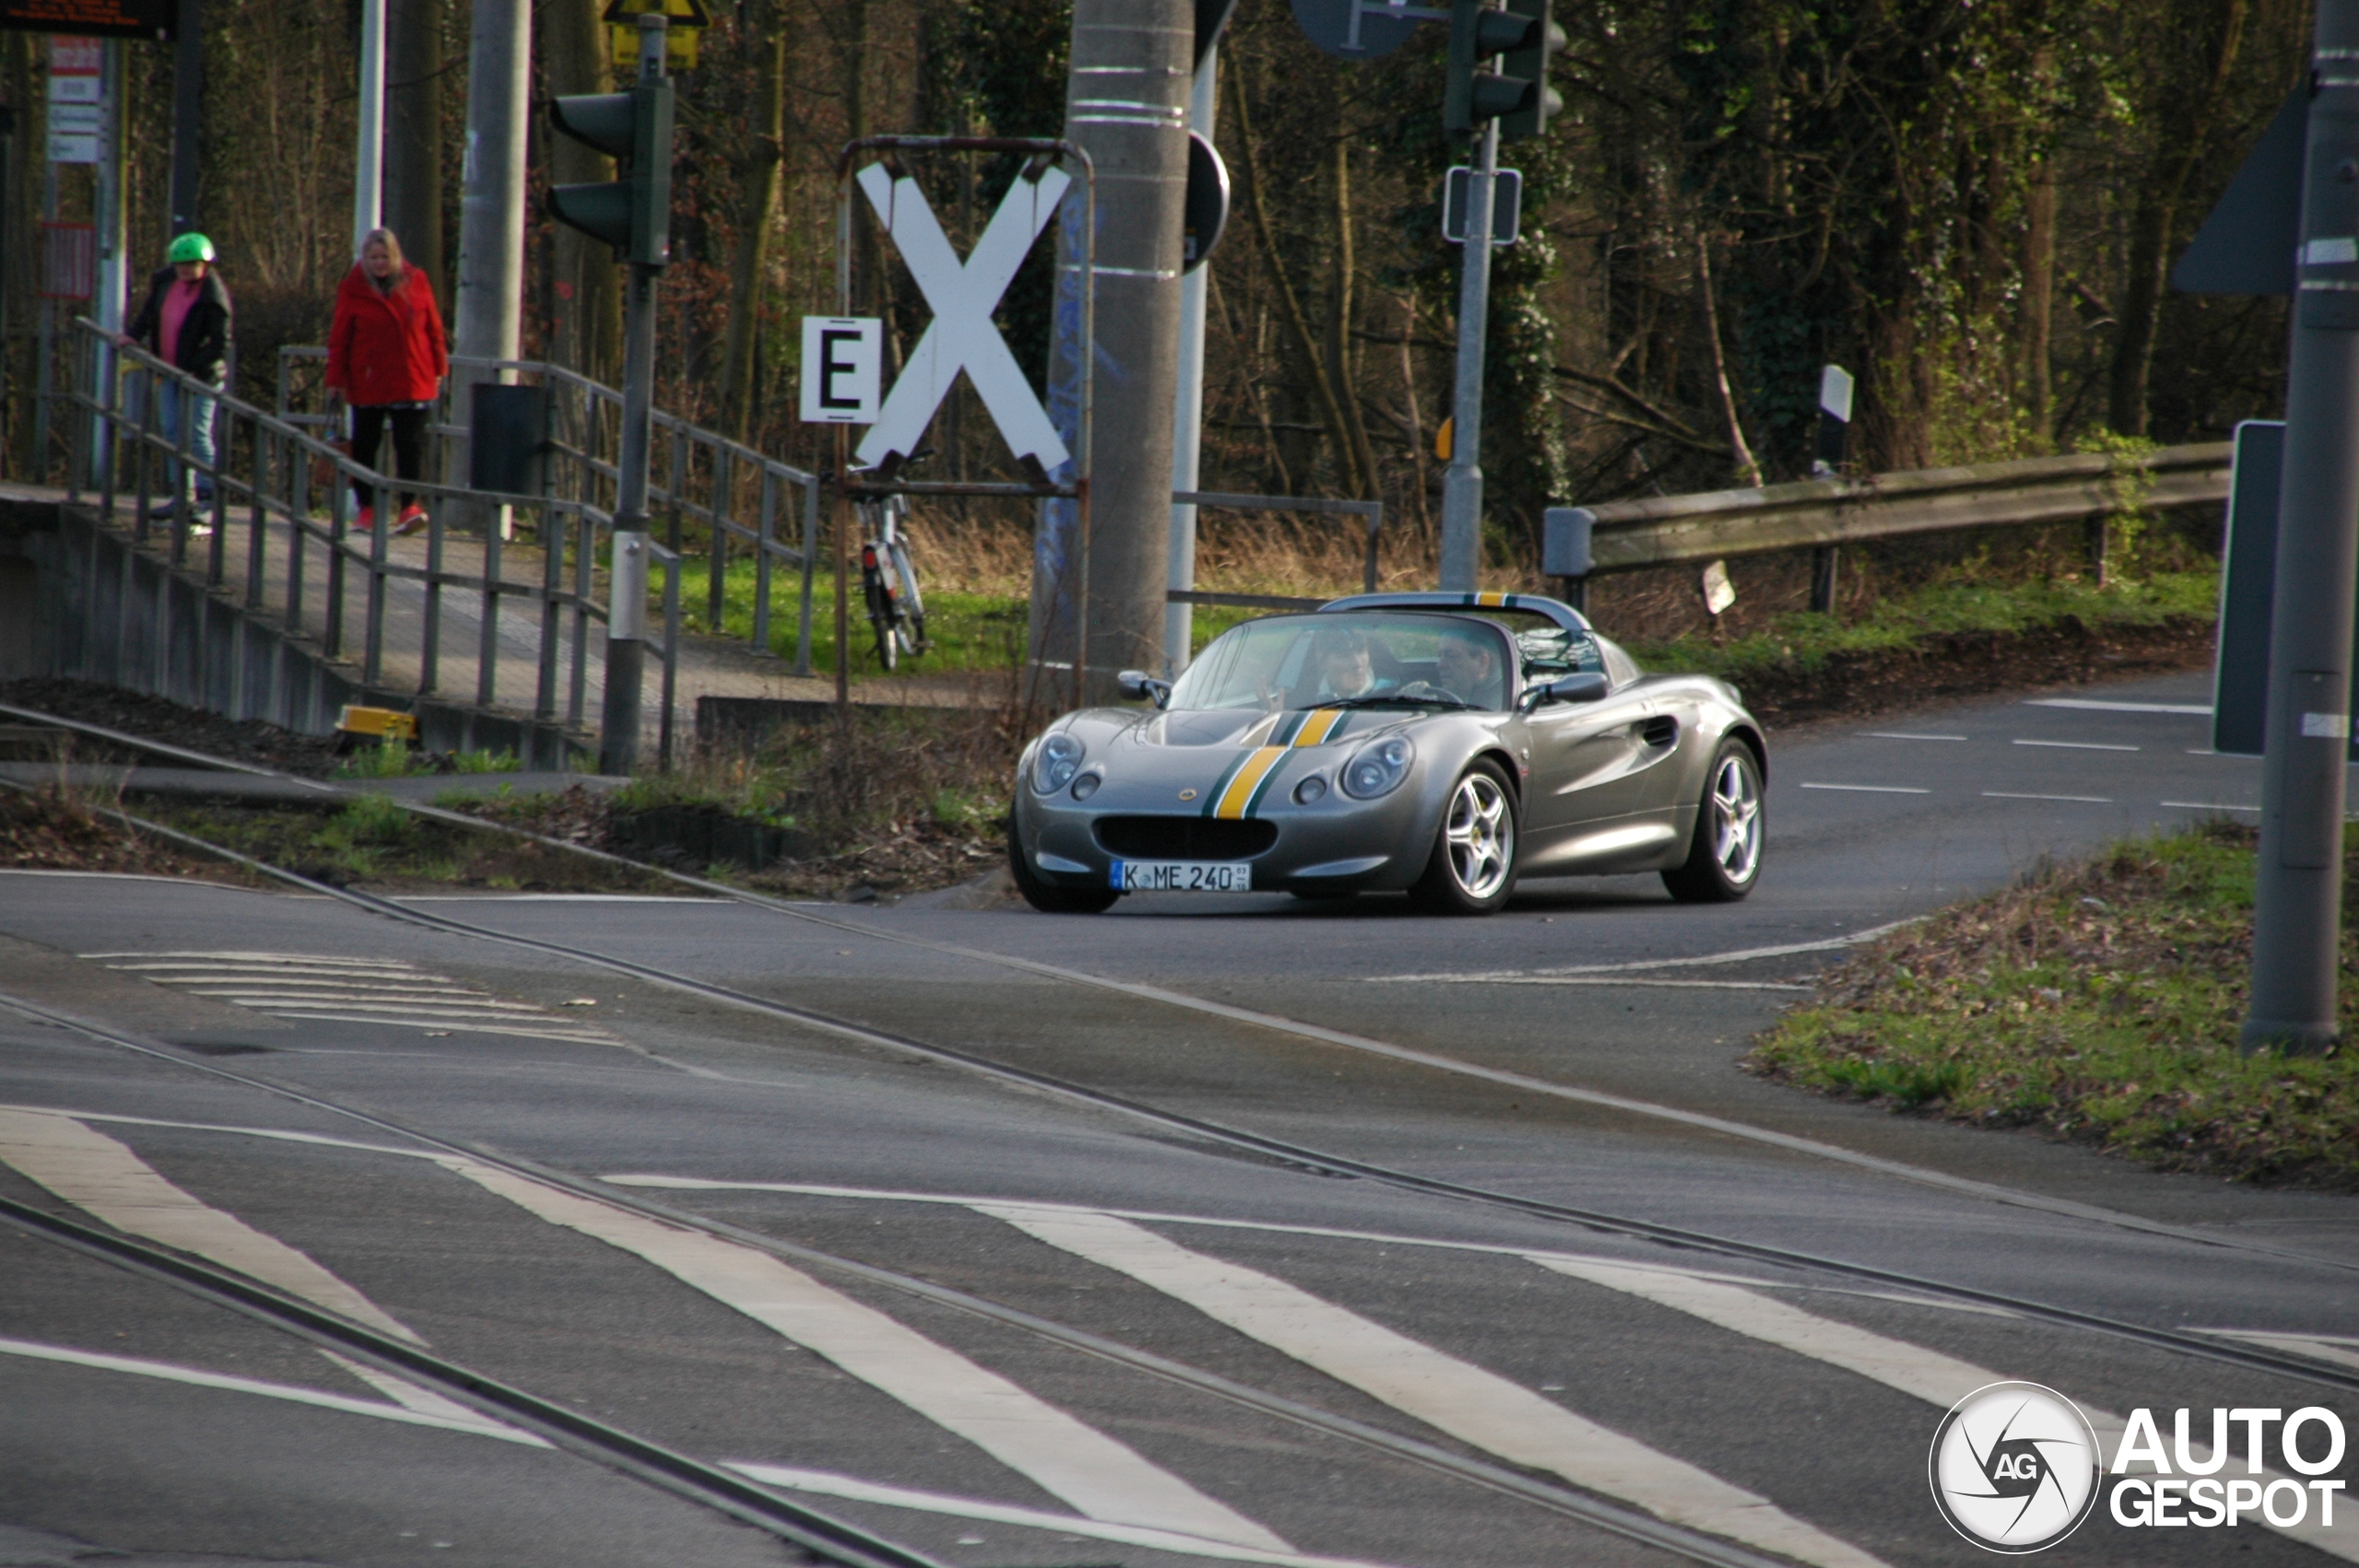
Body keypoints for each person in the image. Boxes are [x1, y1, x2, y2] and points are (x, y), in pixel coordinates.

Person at [325, 228, 449, 535]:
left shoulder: (416, 281)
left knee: (410, 446)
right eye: (374, 257)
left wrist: (440, 367)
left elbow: (433, 327)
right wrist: (335, 379)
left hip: (412, 375)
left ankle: (410, 507)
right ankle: (367, 509)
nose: (380, 263)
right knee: (365, 446)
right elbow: (340, 338)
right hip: (369, 377)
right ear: (365, 259)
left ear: (395, 257)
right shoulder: (352, 289)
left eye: (385, 257)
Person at [118, 232, 232, 519]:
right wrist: (132, 336)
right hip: (167, 372)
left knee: (196, 434)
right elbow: (148, 315)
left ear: (205, 265)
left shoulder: (213, 296)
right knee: (171, 432)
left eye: (192, 265)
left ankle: (208, 499)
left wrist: (194, 366)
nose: (186, 270)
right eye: (181, 265)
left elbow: (220, 343)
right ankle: (182, 496)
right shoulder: (165, 284)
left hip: (201, 377)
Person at [1309, 626, 1394, 702]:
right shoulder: (1306, 697)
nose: (1357, 663)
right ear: (1322, 661)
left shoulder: (1392, 694)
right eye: (1344, 655)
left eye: (1361, 652)